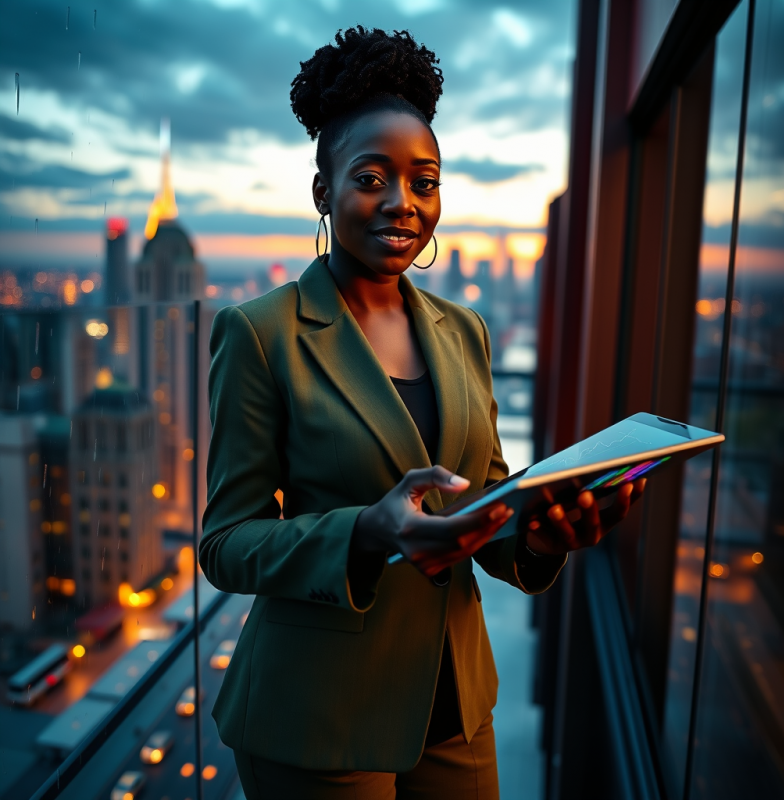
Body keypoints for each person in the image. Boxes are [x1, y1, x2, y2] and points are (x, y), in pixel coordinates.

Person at [200, 26, 645, 800]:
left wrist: (541, 535)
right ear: (323, 193)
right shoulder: (259, 333)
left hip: (455, 707)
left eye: (424, 181)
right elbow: (226, 542)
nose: (403, 203)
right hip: (319, 718)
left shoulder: (463, 331)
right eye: (371, 178)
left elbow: (486, 498)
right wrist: (365, 533)